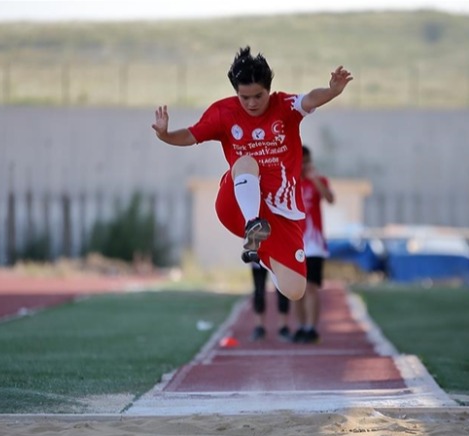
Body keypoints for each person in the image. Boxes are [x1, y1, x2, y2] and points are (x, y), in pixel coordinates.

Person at [151, 46, 352, 301]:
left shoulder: (285, 106)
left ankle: (262, 252)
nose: (252, 103)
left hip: (280, 212)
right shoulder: (223, 113)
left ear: (269, 89)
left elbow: (310, 98)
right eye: (244, 97)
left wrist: (333, 91)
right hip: (237, 204)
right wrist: (166, 135)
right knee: (247, 161)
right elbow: (191, 135)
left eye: (258, 96)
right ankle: (252, 226)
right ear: (236, 92)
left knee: (295, 291)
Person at [292, 145, 335, 344]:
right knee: (296, 289)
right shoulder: (289, 181)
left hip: (315, 244)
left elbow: (330, 199)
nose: (303, 165)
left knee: (311, 287)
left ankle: (311, 328)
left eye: (306, 161)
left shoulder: (318, 181)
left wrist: (315, 179)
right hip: (293, 243)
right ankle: (300, 327)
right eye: (300, 161)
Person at [249, 262, 291, 341]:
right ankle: (259, 326)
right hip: (258, 255)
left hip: (277, 256)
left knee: (282, 289)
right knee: (259, 290)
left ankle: (283, 327)